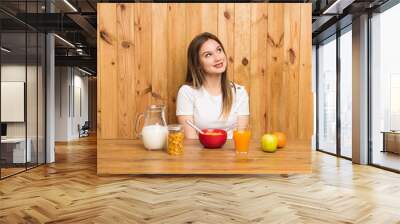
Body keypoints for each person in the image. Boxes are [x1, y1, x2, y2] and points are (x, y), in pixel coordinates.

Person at [176, 32, 249, 139]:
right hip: (199, 154)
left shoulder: (239, 92)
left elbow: (240, 136)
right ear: (197, 64)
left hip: (232, 154)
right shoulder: (187, 92)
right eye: (208, 55)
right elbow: (191, 139)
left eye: (219, 50)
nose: (218, 58)